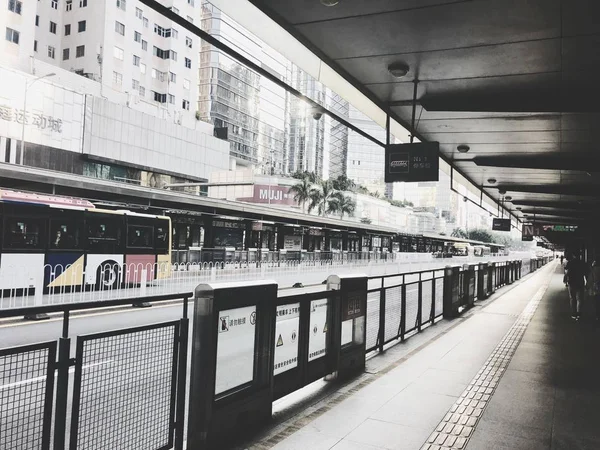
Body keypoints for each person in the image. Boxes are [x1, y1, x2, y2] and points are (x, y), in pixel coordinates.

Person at [565, 254, 588, 321]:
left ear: (573, 256)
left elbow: (567, 272)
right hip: (580, 283)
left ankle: (573, 313)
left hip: (571, 283)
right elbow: (586, 273)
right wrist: (587, 283)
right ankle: (578, 314)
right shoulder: (582, 263)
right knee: (579, 299)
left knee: (572, 298)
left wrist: (566, 281)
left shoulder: (570, 262)